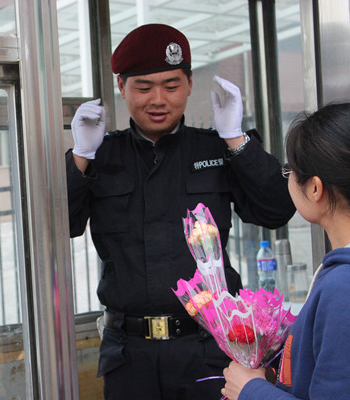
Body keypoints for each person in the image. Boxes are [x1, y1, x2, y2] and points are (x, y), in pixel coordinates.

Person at [66, 23, 296, 400]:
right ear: (121, 87)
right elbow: (61, 225)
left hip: (208, 349)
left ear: (189, 84)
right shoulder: (101, 155)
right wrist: (80, 157)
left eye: (171, 86)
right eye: (144, 88)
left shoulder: (216, 149)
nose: (158, 99)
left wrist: (237, 140)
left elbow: (275, 210)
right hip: (129, 355)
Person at [221, 102, 350, 400]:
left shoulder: (344, 287)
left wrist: (250, 390)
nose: (288, 178)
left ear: (315, 189)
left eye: (290, 170)